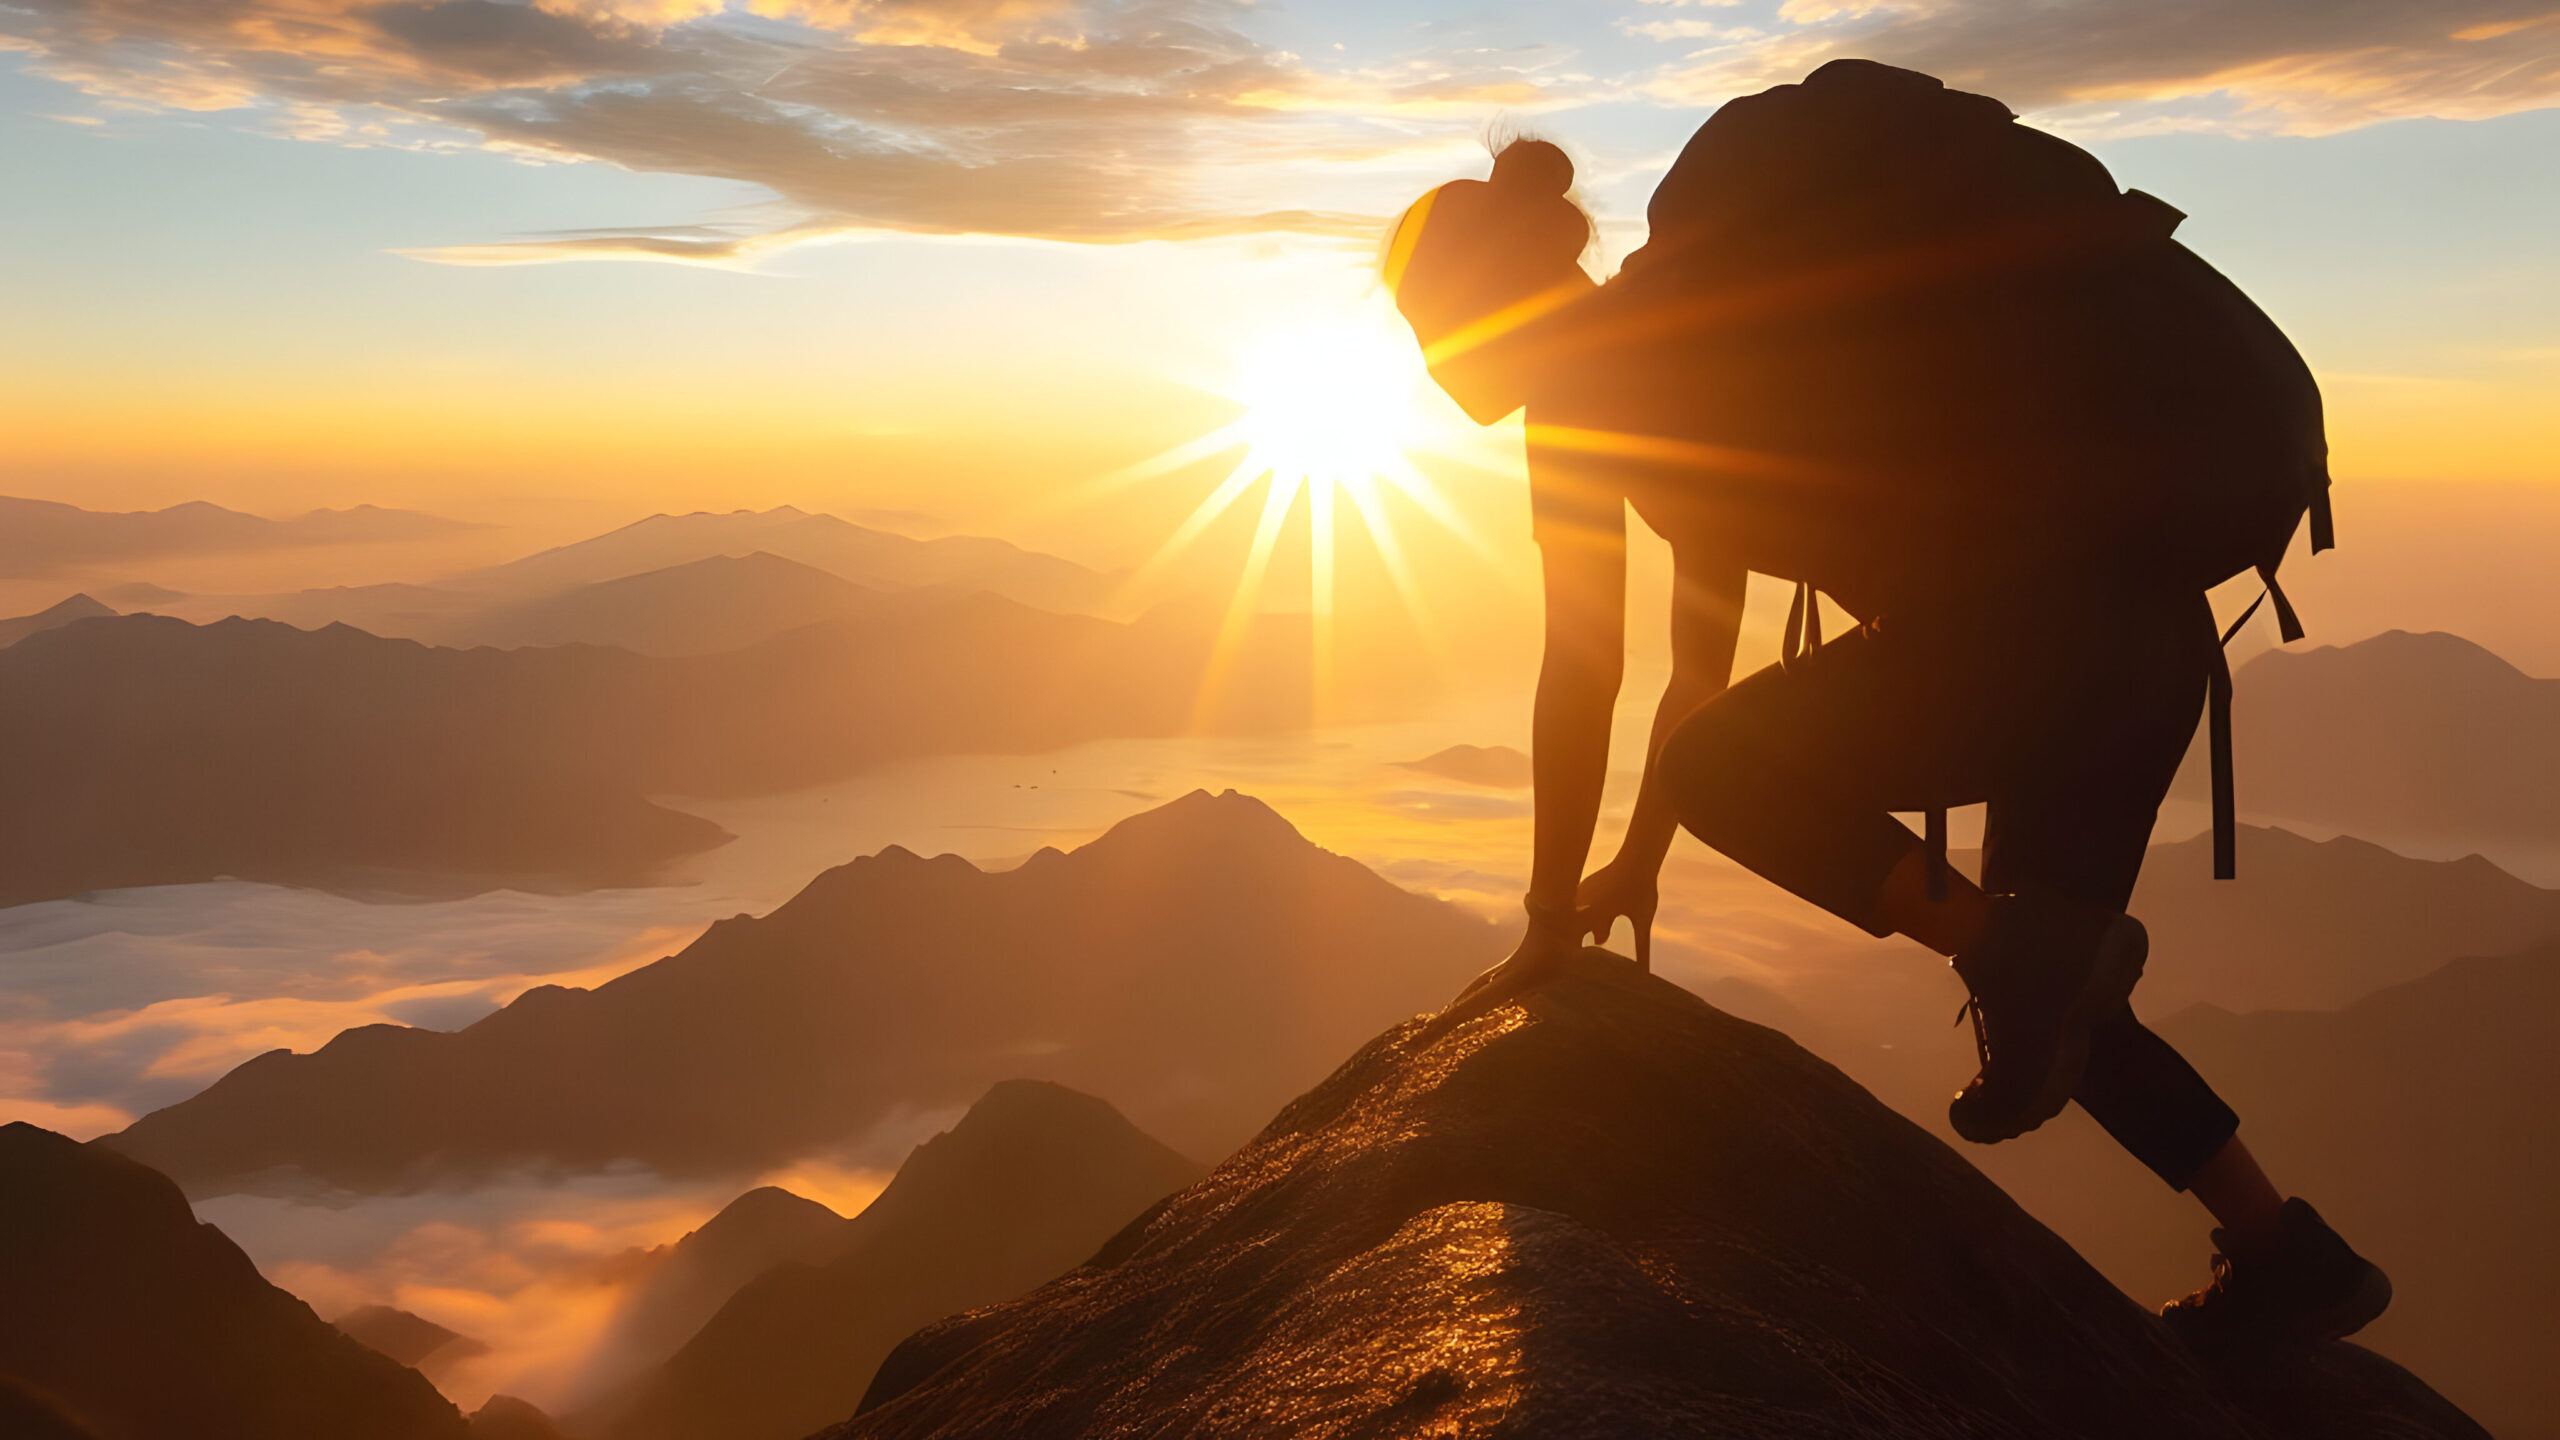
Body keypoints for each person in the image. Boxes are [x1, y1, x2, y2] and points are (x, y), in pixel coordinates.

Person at [1387, 61, 2391, 1346]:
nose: (1429, 370)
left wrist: (1546, 913)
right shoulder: (1694, 315)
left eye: (1429, 329)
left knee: (1989, 937)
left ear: (1487, 303)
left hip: (2027, 642)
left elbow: (1595, 674)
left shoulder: (1592, 401)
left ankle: (2021, 962)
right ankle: (2283, 1251)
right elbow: (1695, 669)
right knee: (2052, 990)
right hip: (2140, 635)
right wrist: (1633, 866)